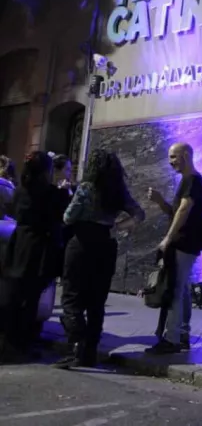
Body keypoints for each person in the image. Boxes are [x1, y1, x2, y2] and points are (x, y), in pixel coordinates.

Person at [55, 150, 144, 368]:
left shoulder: (86, 188)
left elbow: (68, 217)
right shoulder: (118, 191)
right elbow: (139, 214)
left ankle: (76, 346)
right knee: (97, 302)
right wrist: (118, 226)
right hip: (106, 245)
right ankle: (90, 352)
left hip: (82, 243)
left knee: (72, 297)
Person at [0, 152, 71, 362]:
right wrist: (65, 193)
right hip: (38, 248)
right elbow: (61, 216)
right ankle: (22, 345)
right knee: (30, 300)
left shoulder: (20, 191)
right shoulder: (51, 193)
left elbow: (13, 211)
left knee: (14, 296)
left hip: (19, 244)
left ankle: (9, 342)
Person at [145, 143, 202, 355]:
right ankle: (182, 334)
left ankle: (171, 339)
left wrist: (168, 238)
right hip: (186, 243)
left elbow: (184, 209)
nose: (171, 162)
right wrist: (160, 201)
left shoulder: (192, 180)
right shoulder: (189, 180)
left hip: (183, 242)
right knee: (183, 289)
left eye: (174, 157)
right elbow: (175, 211)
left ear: (186, 155)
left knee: (175, 290)